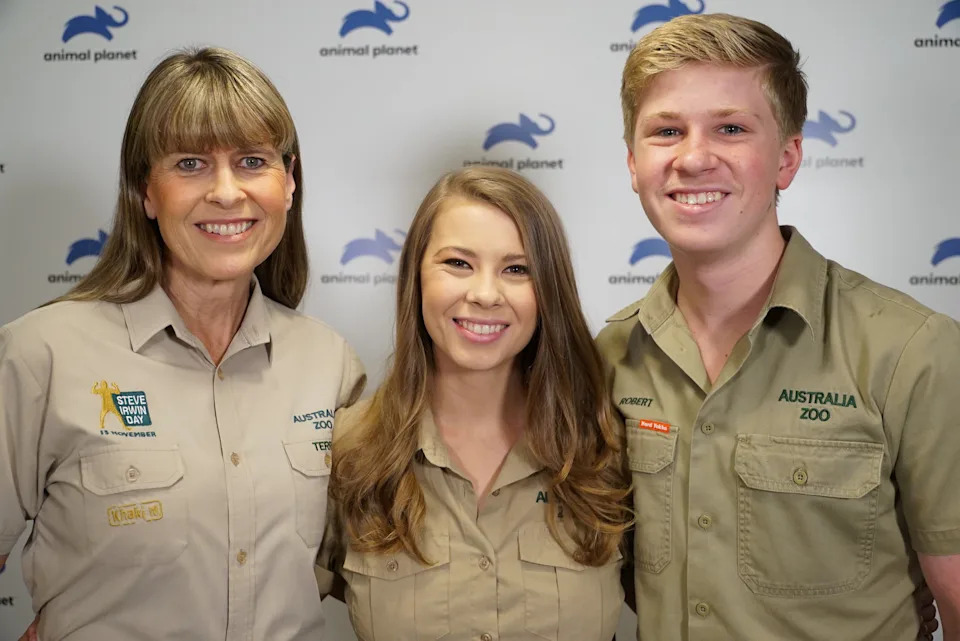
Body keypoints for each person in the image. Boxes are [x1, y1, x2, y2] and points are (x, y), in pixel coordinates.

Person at [597, 12, 960, 641]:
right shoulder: (608, 357)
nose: (693, 157)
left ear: (787, 158)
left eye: (731, 128)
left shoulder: (913, 351)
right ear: (633, 163)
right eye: (666, 131)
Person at [0, 47, 364, 640]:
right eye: (191, 163)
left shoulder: (330, 364)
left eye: (252, 161)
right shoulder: (40, 354)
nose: (226, 192)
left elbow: (380, 572)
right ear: (146, 191)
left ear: (289, 182)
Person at [319, 166, 632, 640]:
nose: (485, 294)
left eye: (516, 269)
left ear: (547, 289)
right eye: (458, 263)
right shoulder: (349, 449)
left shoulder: (608, 446)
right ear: (416, 278)